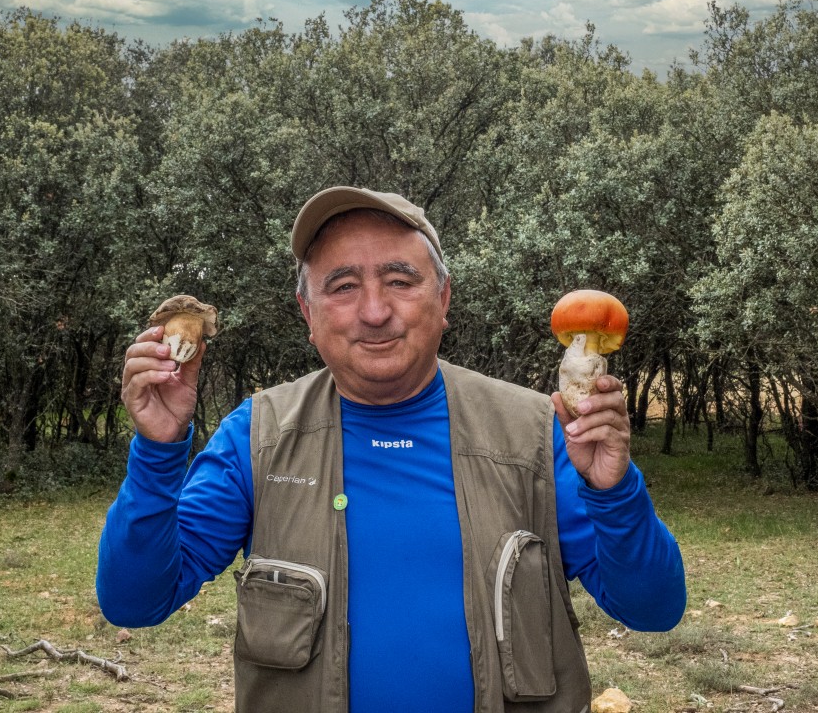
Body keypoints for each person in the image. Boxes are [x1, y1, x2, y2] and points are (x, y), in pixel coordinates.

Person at [98, 186, 685, 712]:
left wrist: (615, 489)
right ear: (308, 313)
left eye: (400, 281)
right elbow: (134, 600)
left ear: (444, 298)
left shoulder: (534, 432)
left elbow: (653, 609)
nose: (375, 312)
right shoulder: (258, 437)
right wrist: (156, 450)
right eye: (343, 286)